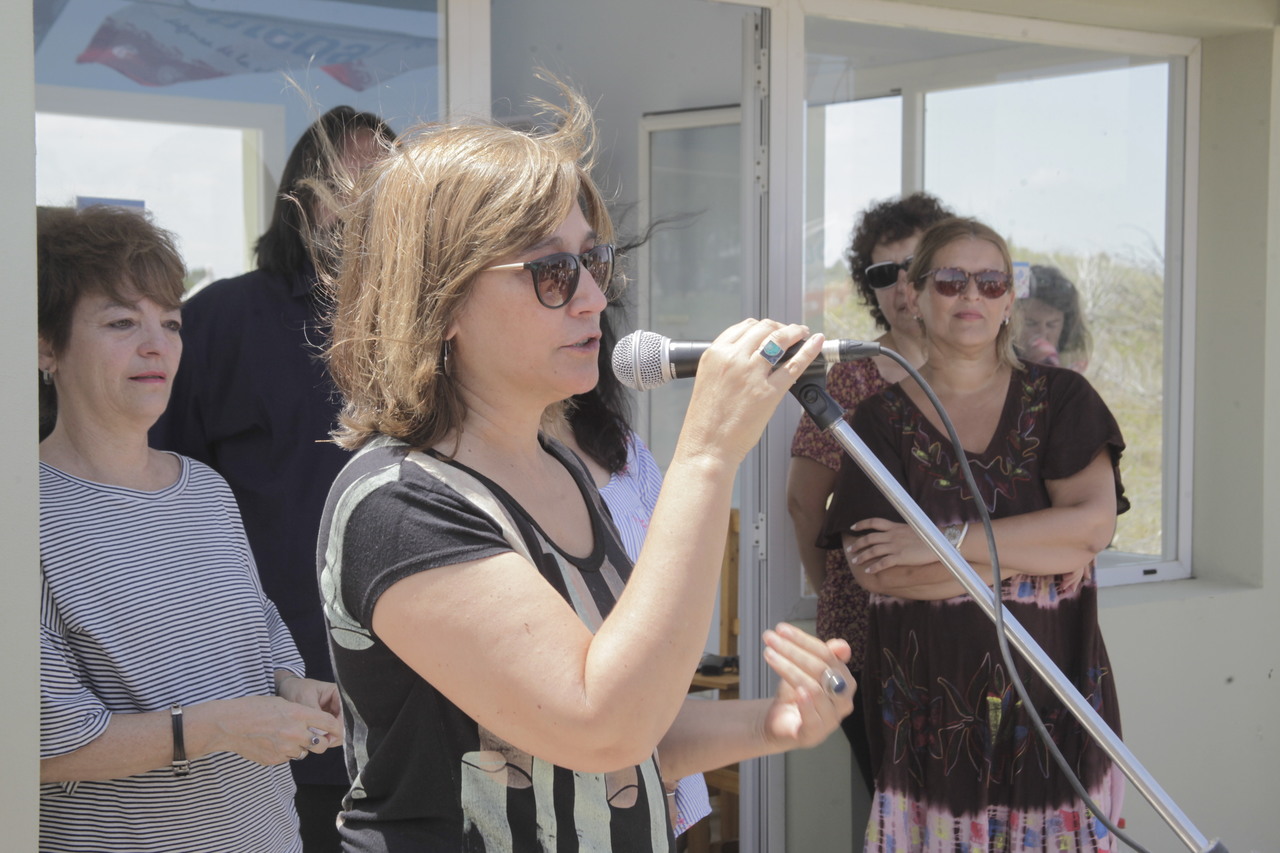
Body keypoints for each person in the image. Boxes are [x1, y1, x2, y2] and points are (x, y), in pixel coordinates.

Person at [316, 82, 855, 851]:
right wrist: (707, 453)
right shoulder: (397, 503)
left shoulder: (562, 471)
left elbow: (633, 741)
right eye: (552, 271)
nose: (594, 298)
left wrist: (775, 721)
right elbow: (601, 724)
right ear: (443, 300)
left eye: (594, 261)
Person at [37, 204, 343, 853]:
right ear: (45, 345)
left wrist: (293, 687)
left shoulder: (203, 488)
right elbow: (40, 745)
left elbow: (258, 629)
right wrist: (219, 728)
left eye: (171, 323)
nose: (158, 345)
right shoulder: (27, 511)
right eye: (122, 322)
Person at [820, 217, 1127, 852]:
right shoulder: (878, 422)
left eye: (991, 283)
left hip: (1054, 706)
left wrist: (940, 542)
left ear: (1010, 299)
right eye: (951, 280)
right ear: (915, 295)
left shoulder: (1062, 399)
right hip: (929, 721)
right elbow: (880, 571)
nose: (971, 296)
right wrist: (1039, 555)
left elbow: (1092, 526)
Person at [151, 105, 395, 851]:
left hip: (416, 697)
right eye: (348, 184)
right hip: (274, 696)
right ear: (302, 198)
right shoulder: (219, 322)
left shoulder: (423, 326)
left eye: (385, 186)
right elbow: (156, 497)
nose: (367, 203)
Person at [786, 192, 952, 796]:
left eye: (916, 266)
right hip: (872, 634)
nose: (903, 287)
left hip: (969, 627)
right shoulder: (850, 377)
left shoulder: (986, 376)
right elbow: (804, 502)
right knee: (895, 799)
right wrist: (837, 594)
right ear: (868, 286)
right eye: (884, 273)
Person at [550, 308, 714, 837]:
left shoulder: (619, 444)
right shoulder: (476, 468)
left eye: (595, 276)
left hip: (658, 728)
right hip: (573, 763)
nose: (588, 302)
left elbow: (677, 586)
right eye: (552, 280)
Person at [1015, 263, 1093, 372]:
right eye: (1030, 323)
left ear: (1065, 327)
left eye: (1052, 325)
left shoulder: (1069, 364)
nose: (1042, 333)